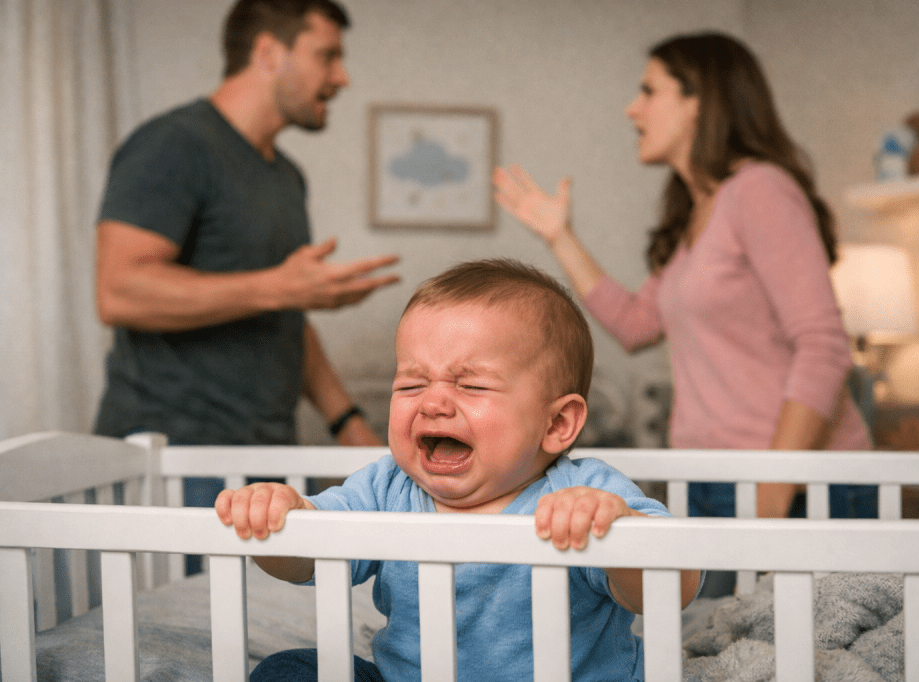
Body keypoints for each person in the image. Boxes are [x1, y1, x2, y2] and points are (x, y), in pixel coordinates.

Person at [217, 259, 704, 682]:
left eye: (470, 385)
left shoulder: (584, 491)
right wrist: (278, 522)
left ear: (556, 423)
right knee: (289, 672)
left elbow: (673, 587)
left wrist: (614, 532)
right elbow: (307, 562)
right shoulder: (387, 487)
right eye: (410, 384)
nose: (431, 402)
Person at [493, 33, 873, 527]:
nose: (633, 109)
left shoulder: (760, 191)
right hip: (711, 478)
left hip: (795, 486)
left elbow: (823, 345)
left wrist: (776, 487)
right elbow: (635, 325)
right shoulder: (695, 215)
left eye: (649, 91)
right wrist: (559, 236)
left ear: (700, 101)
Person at [93, 0, 399, 528]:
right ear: (267, 52)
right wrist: (281, 288)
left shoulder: (286, 176)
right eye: (327, 56)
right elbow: (119, 290)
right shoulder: (174, 145)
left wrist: (348, 423)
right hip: (174, 458)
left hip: (266, 458)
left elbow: (282, 314)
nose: (342, 77)